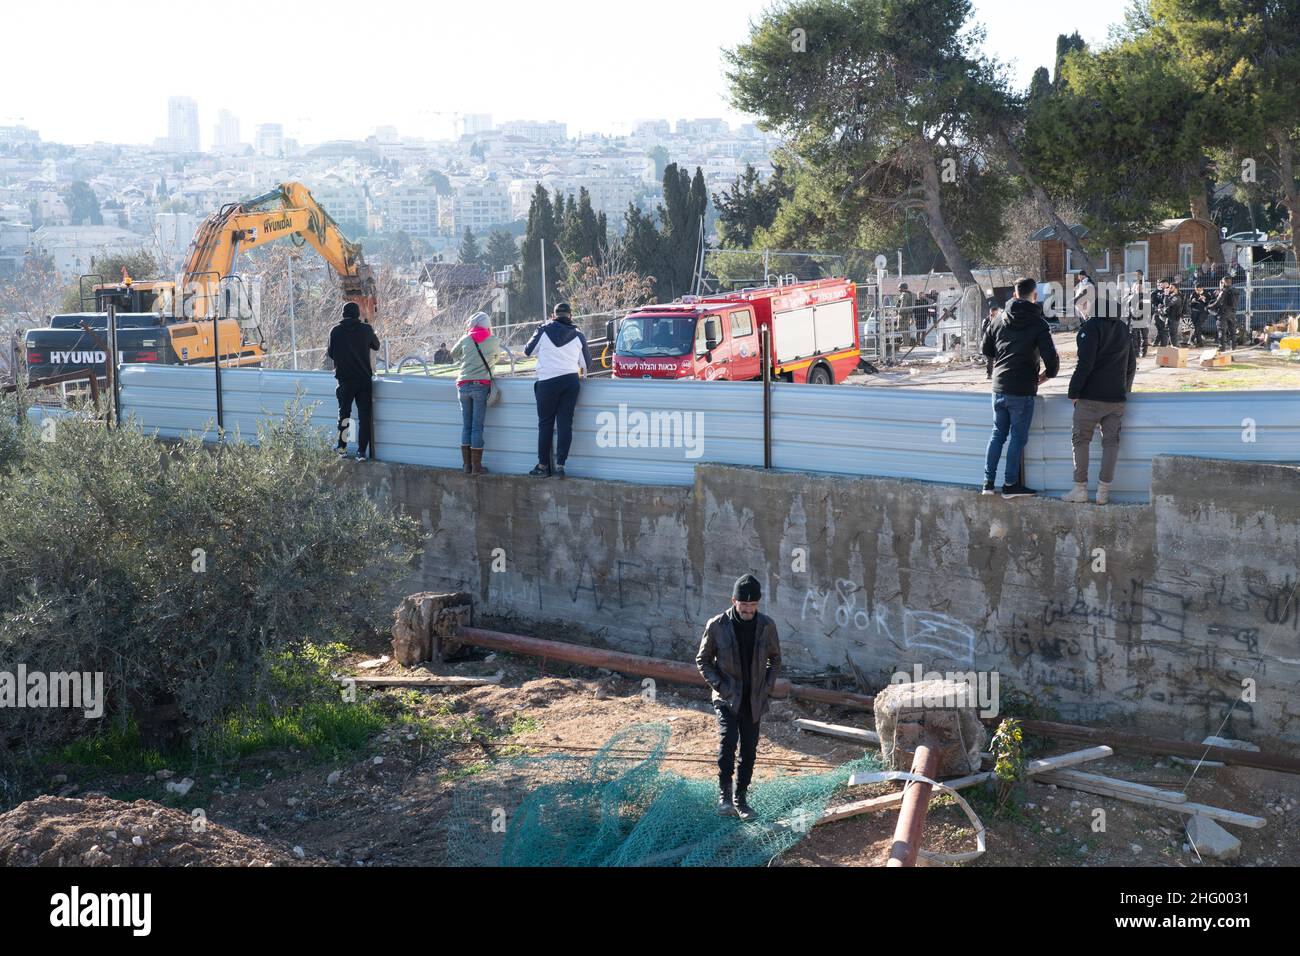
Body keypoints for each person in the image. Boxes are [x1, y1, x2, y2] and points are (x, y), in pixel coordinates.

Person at [695, 574, 782, 822]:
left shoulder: (767, 626)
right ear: (733, 601)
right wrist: (721, 686)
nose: (748, 610)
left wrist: (766, 688)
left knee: (750, 751)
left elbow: (775, 660)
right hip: (726, 697)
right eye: (743, 606)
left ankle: (741, 799)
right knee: (728, 742)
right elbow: (703, 660)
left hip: (754, 699)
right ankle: (724, 796)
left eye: (753, 606)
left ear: (758, 604)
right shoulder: (717, 625)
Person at [981, 277, 1059, 499]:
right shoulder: (1039, 324)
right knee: (1017, 438)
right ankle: (1010, 485)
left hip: (998, 386)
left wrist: (1004, 359)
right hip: (1022, 388)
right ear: (1035, 296)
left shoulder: (999, 319)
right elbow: (1051, 359)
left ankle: (987, 483)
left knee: (997, 434)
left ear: (1014, 294)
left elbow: (985, 349)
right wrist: (1046, 376)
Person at [1064, 288, 1138, 506]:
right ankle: (1103, 493)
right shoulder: (1123, 329)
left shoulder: (1091, 327)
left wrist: (1073, 392)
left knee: (1081, 440)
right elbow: (1131, 365)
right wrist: (1124, 390)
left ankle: (1080, 489)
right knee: (1111, 444)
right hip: (1116, 398)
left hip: (1090, 397)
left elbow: (1084, 364)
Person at [524, 302, 591, 478]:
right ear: (571, 316)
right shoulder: (578, 335)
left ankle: (543, 466)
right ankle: (560, 466)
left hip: (547, 382)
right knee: (565, 424)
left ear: (554, 316)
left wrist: (542, 328)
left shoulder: (544, 330)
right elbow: (587, 364)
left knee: (545, 424)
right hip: (570, 382)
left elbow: (527, 351)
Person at [326, 301, 379, 461]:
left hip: (344, 380)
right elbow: (376, 346)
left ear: (343, 314)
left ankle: (342, 448)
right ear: (357, 314)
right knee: (364, 416)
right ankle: (362, 452)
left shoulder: (335, 331)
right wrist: (369, 330)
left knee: (344, 415)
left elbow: (331, 354)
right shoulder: (366, 329)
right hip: (363, 380)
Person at [451, 312, 502, 475]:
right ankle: (477, 467)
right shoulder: (493, 340)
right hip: (481, 385)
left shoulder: (466, 338)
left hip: (463, 385)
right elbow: (496, 358)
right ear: (487, 325)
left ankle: (466, 466)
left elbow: (453, 353)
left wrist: (465, 361)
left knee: (466, 425)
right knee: (477, 427)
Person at [1126, 272, 1151, 358]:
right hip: (1134, 319)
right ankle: (1135, 353)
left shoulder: (1146, 296)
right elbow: (1128, 309)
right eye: (1137, 287)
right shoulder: (1131, 297)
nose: (1138, 289)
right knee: (1134, 337)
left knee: (1144, 337)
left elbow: (1148, 308)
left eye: (1140, 287)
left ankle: (1143, 352)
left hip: (1143, 319)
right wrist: (1128, 321)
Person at [1210, 276, 1238, 349]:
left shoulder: (1224, 291)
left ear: (1224, 282)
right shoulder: (1235, 290)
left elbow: (1218, 303)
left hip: (1223, 314)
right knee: (1232, 332)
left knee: (1222, 332)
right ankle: (1233, 349)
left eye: (1222, 282)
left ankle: (1222, 348)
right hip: (1232, 313)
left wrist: (1209, 307)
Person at [1160, 280, 1184, 347]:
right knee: (1169, 334)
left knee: (1173, 334)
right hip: (1169, 317)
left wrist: (1166, 295)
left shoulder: (1177, 297)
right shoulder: (1171, 296)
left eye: (1171, 288)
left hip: (1174, 318)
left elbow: (1167, 304)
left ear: (1176, 289)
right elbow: (1165, 304)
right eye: (1169, 287)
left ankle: (1175, 348)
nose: (1169, 289)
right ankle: (1171, 348)